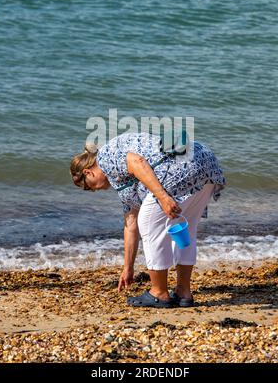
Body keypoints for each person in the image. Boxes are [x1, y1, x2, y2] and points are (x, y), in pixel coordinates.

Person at [70, 132, 226, 308]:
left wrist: (163, 197)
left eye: (86, 187)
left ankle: (159, 293)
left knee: (149, 224)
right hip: (205, 163)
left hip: (182, 167)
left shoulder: (105, 158)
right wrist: (128, 268)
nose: (92, 190)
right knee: (183, 229)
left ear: (87, 172)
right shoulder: (122, 183)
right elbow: (130, 225)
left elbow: (137, 162)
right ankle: (183, 293)